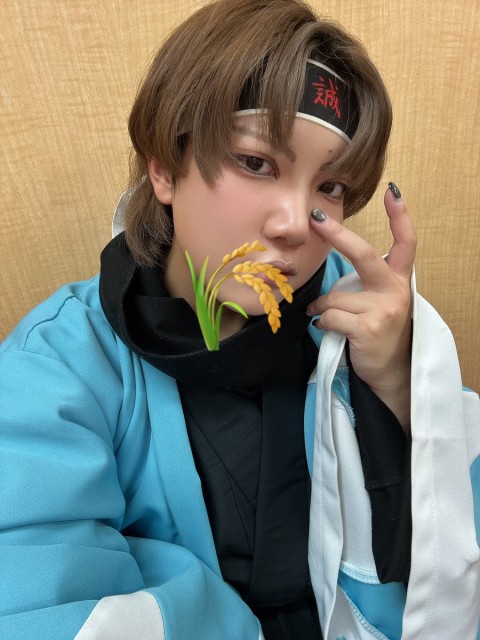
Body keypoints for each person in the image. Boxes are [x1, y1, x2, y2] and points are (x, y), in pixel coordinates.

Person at [1, 0, 478, 638]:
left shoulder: (368, 326)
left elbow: (454, 551)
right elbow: (35, 596)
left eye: (330, 187)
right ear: (164, 167)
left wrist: (400, 385)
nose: (294, 223)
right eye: (256, 163)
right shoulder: (62, 363)